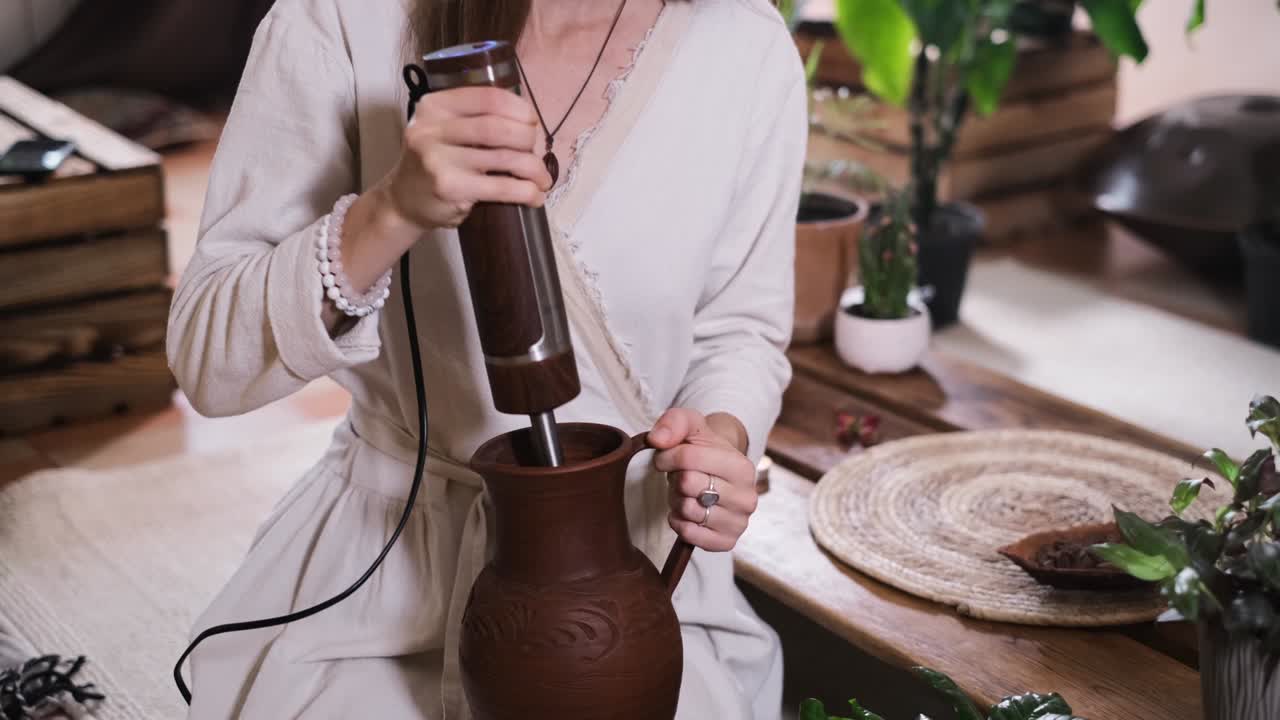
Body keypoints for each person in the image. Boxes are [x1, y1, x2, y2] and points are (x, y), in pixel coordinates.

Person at [166, 0, 805, 717]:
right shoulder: (342, 18)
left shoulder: (745, 44)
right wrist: (391, 211)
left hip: (633, 581)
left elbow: (739, 331)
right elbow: (208, 361)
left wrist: (720, 441)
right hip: (381, 587)